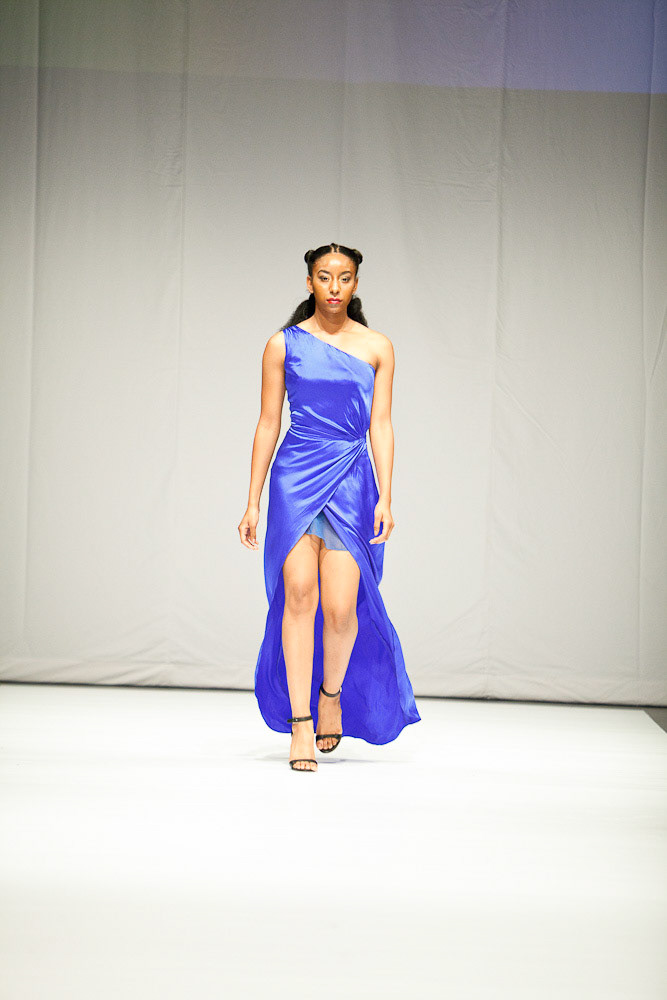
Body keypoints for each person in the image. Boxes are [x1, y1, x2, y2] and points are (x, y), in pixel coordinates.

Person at [239, 242, 421, 772]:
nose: (334, 287)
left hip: (351, 480)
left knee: (341, 610)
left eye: (344, 277)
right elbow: (268, 422)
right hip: (296, 477)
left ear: (356, 283)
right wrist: (252, 501)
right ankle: (300, 724)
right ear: (310, 282)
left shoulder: (377, 347)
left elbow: (381, 424)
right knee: (300, 595)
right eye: (324, 277)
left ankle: (330, 695)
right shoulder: (283, 344)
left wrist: (387, 494)